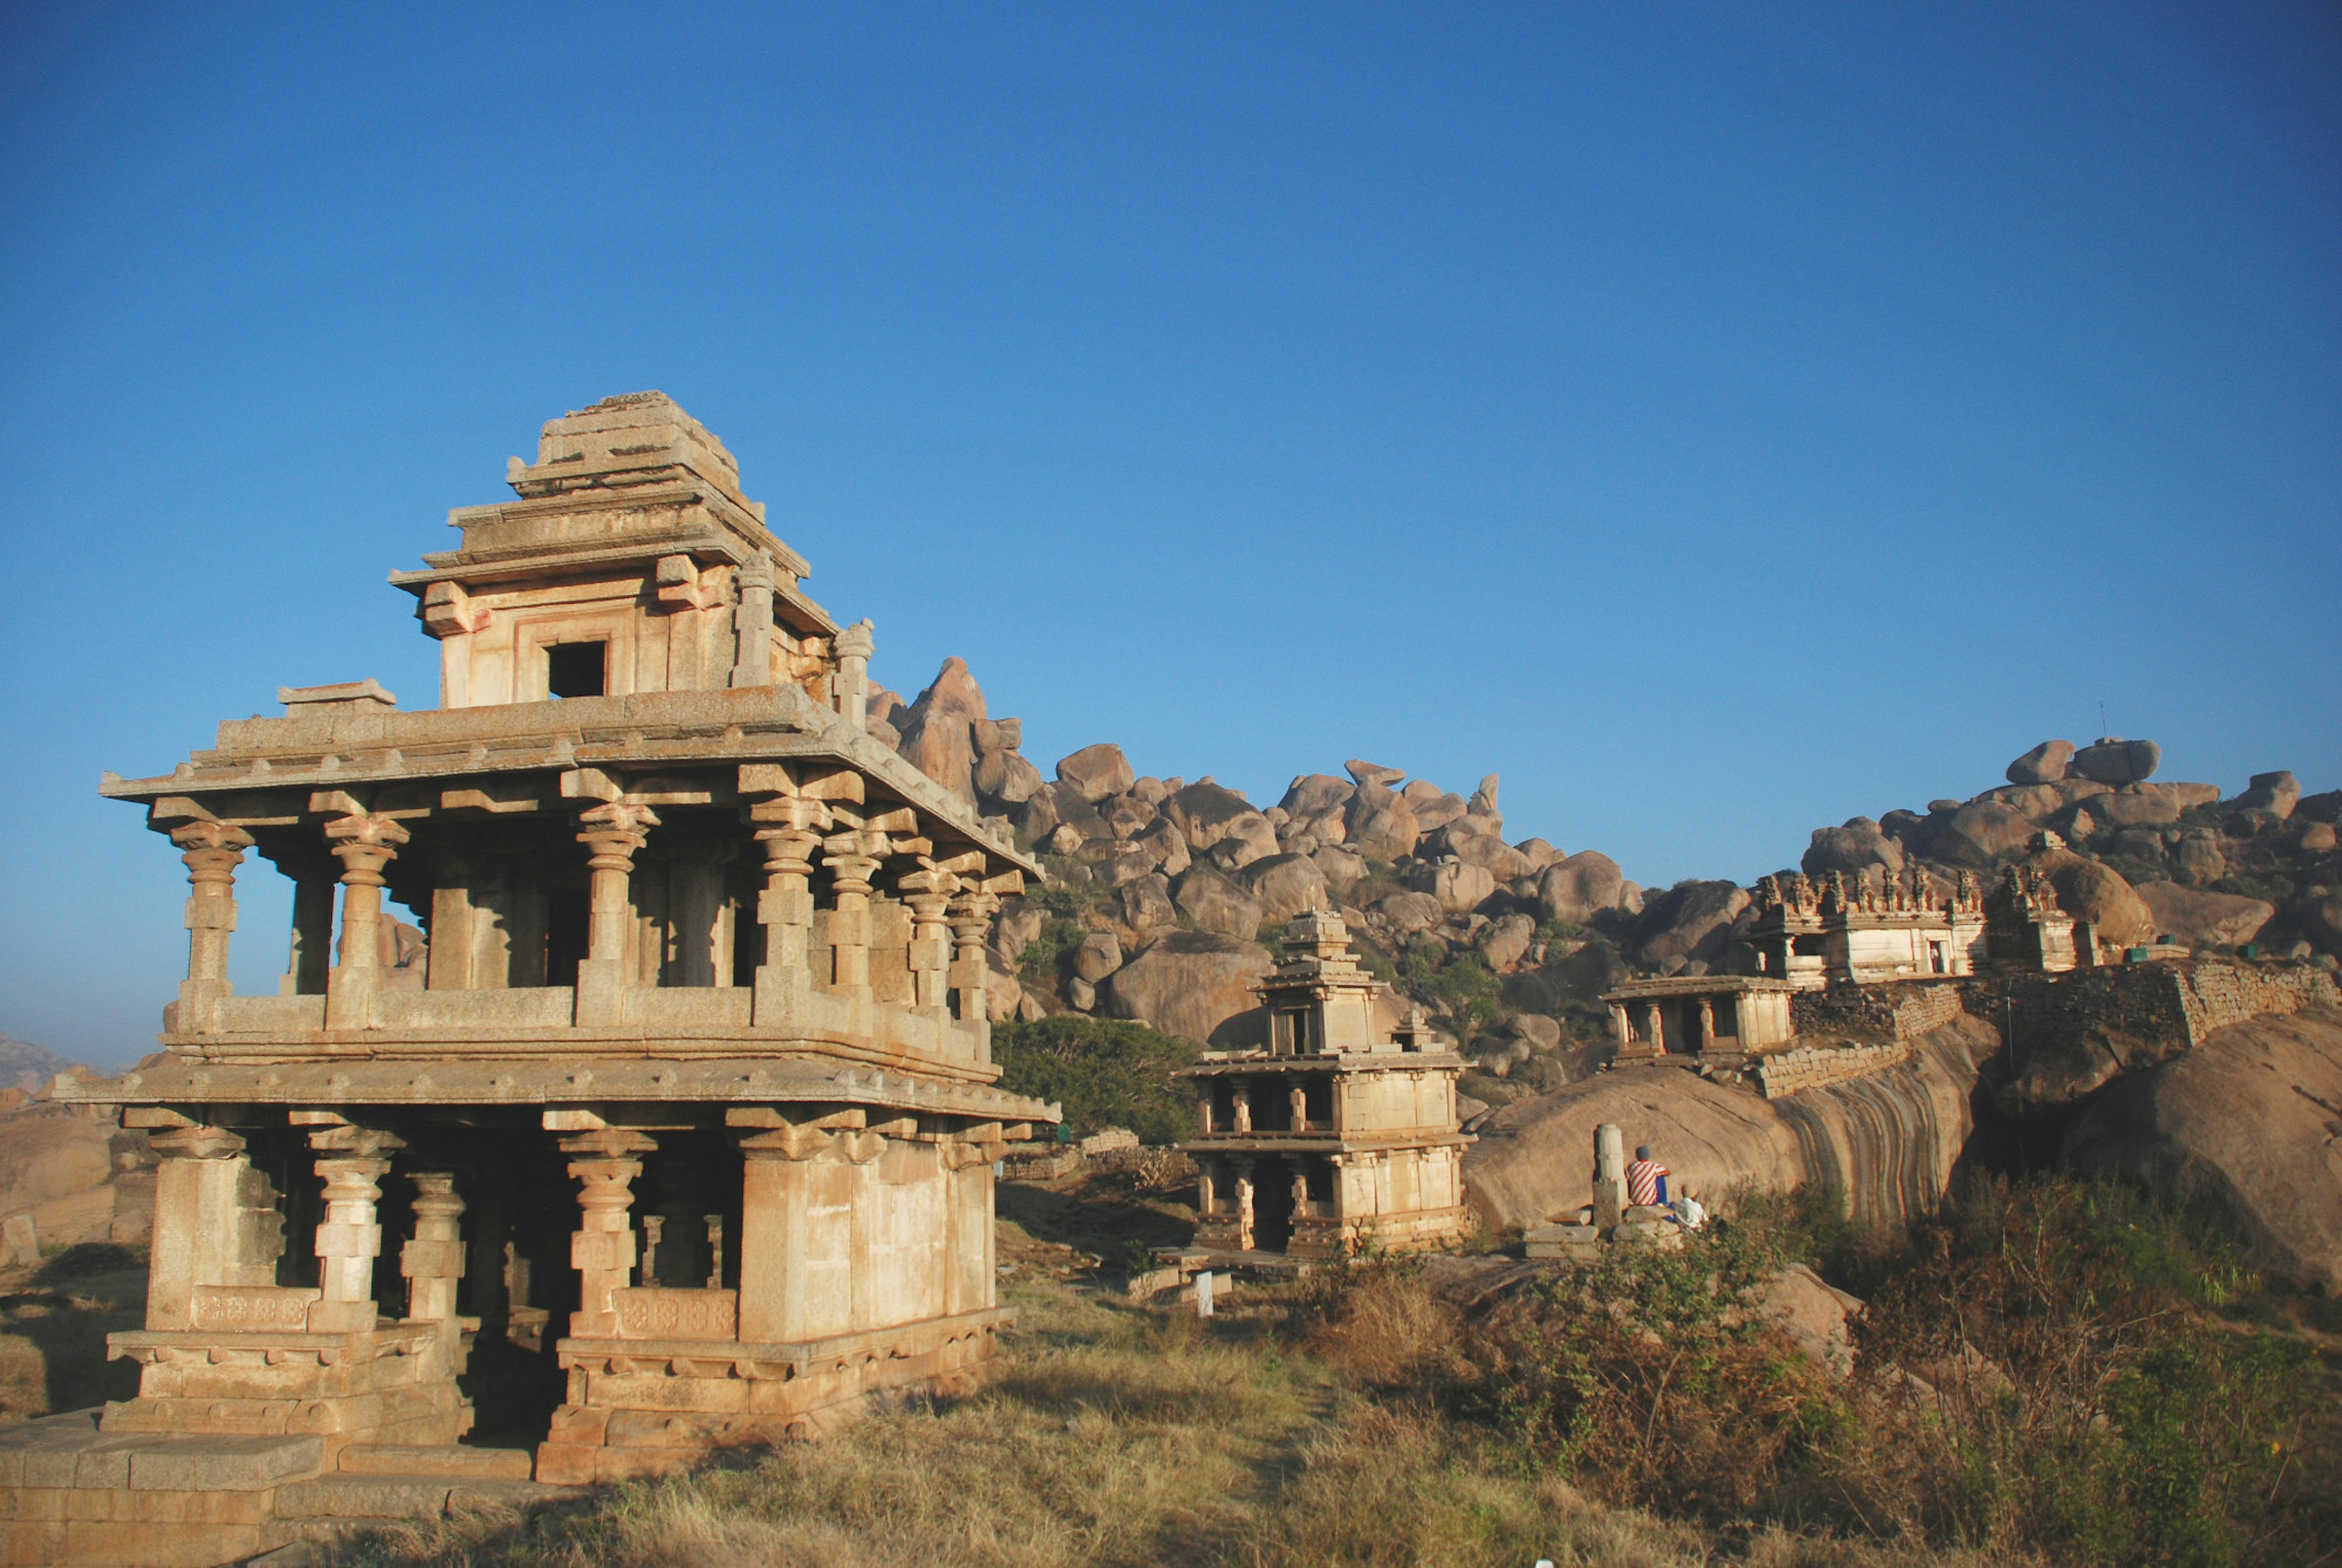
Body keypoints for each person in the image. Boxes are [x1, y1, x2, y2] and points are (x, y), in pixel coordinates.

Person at [1626, 1144, 1669, 1208]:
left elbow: (1629, 1169)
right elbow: (1667, 1172)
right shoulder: (1654, 1166)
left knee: (1633, 1178)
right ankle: (1662, 1202)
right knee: (1660, 1177)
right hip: (1651, 1202)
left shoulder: (1632, 1166)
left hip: (1636, 1201)